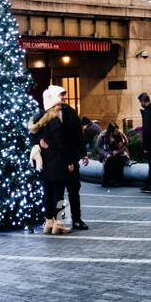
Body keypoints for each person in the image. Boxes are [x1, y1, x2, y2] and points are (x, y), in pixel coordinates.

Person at [30, 86, 72, 235]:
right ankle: (59, 223)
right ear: (52, 106)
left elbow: (34, 139)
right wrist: (69, 162)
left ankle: (49, 222)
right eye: (58, 105)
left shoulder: (39, 121)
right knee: (59, 195)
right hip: (57, 163)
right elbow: (62, 144)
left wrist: (41, 142)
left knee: (47, 192)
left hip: (44, 164)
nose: (60, 107)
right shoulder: (54, 122)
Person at [59, 98, 89, 231]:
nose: (62, 99)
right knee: (59, 192)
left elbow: (77, 135)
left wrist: (83, 154)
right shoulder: (48, 114)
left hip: (69, 157)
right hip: (57, 159)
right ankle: (61, 221)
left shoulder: (70, 113)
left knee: (73, 190)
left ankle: (75, 219)